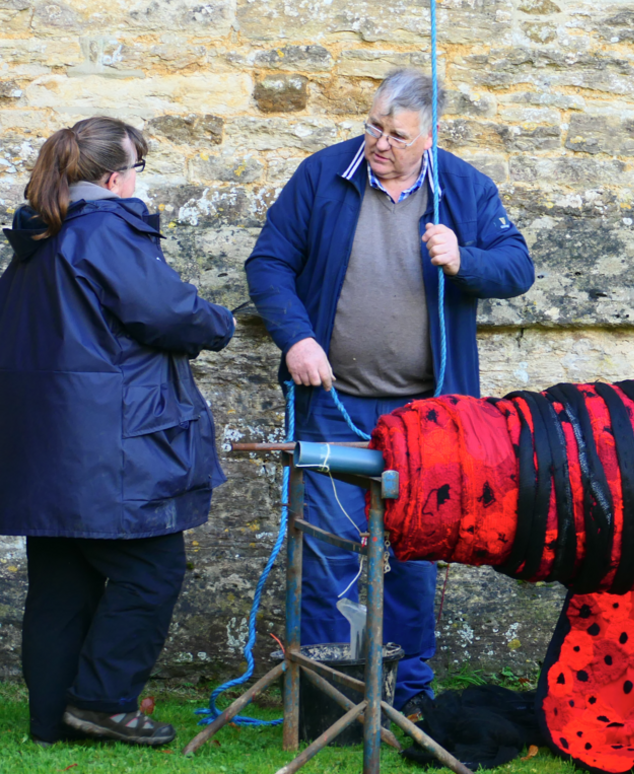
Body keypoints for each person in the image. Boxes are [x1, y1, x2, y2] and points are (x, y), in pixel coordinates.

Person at [246, 68, 534, 712]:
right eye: (373, 125)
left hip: (428, 415)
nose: (379, 143)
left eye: (396, 134)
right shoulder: (323, 174)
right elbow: (268, 263)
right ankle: (335, 696)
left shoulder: (463, 187)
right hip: (334, 404)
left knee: (414, 553)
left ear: (428, 137)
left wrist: (465, 260)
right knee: (327, 552)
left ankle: (407, 695)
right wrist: (296, 337)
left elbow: (517, 269)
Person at [0, 117, 236, 747]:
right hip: (108, 445)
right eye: (136, 168)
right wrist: (220, 321)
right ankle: (103, 703)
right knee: (151, 571)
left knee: (61, 584)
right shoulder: (106, 227)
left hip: (49, 445)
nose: (138, 180)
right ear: (113, 176)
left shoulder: (39, 235)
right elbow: (166, 314)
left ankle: (52, 721)